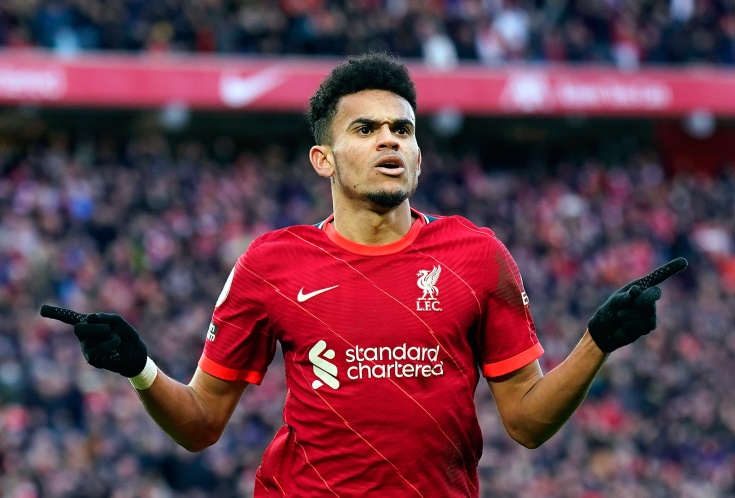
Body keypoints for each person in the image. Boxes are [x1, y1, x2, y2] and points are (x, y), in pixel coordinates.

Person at [41, 52, 687, 497]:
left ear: (419, 155)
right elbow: (201, 423)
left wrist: (597, 342)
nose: (389, 140)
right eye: (366, 128)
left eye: (403, 129)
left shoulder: (477, 255)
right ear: (323, 158)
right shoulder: (270, 264)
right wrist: (140, 368)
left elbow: (526, 422)